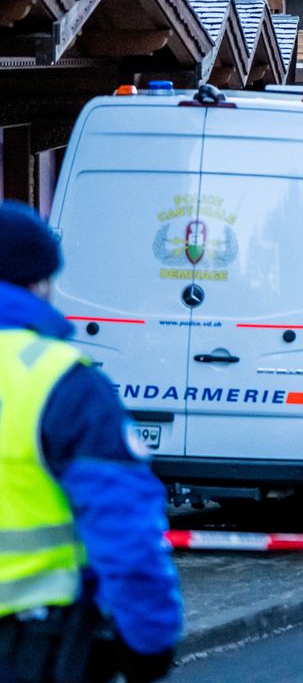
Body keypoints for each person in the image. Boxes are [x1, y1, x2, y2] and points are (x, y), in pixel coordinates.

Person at [0, 202, 181, 683]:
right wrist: (149, 640)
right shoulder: (59, 381)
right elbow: (123, 526)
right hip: (28, 646)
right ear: (39, 283)